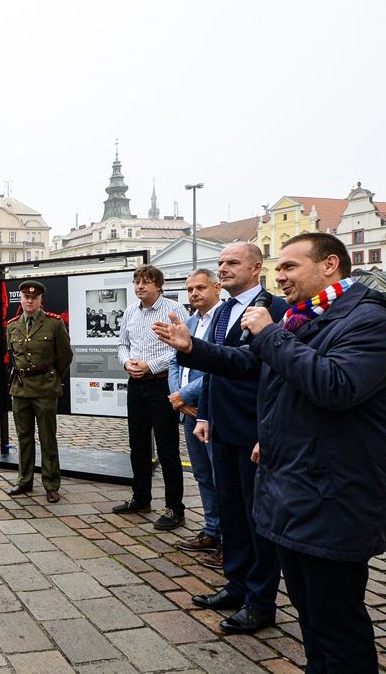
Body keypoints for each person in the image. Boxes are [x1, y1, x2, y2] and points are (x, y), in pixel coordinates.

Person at [154, 233, 386, 671]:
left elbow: (336, 385)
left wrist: (272, 334)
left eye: (290, 267)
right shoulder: (307, 316)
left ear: (330, 265)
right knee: (311, 618)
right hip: (295, 490)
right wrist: (192, 348)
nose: (280, 277)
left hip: (334, 497)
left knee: (338, 623)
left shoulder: (368, 320)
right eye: (278, 268)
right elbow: (248, 363)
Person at [176, 243, 288, 634]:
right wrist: (205, 414)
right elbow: (214, 366)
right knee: (232, 514)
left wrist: (266, 432)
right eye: (220, 262)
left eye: (232, 263)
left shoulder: (274, 309)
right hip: (221, 425)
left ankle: (260, 601)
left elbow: (275, 376)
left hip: (254, 428)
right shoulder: (223, 311)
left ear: (256, 268)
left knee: (258, 519)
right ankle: (236, 584)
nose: (223, 268)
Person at [113, 264, 189, 530]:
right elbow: (122, 344)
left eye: (145, 282)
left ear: (158, 285)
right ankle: (141, 497)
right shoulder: (130, 311)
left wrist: (151, 365)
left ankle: (174, 508)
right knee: (138, 445)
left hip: (162, 384)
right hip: (136, 384)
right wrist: (127, 363)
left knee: (167, 448)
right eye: (137, 282)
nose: (140, 286)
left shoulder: (174, 309)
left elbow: (182, 347)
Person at [167, 270, 223, 565]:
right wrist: (177, 397)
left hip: (213, 409)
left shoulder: (223, 320)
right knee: (201, 474)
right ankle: (212, 530)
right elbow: (174, 362)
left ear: (217, 287)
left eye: (200, 287)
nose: (194, 293)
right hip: (188, 412)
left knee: (221, 476)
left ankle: (229, 537)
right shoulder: (189, 322)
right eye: (190, 289)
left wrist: (186, 394)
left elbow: (222, 366)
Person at [4, 281, 74, 503]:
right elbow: (13, 356)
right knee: (23, 438)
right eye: (26, 297)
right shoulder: (12, 326)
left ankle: (51, 484)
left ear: (40, 300)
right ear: (21, 299)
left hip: (45, 389)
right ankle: (24, 480)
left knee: (47, 438)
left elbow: (65, 355)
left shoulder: (54, 323)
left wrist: (52, 377)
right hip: (20, 389)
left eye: (34, 298)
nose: (30, 301)